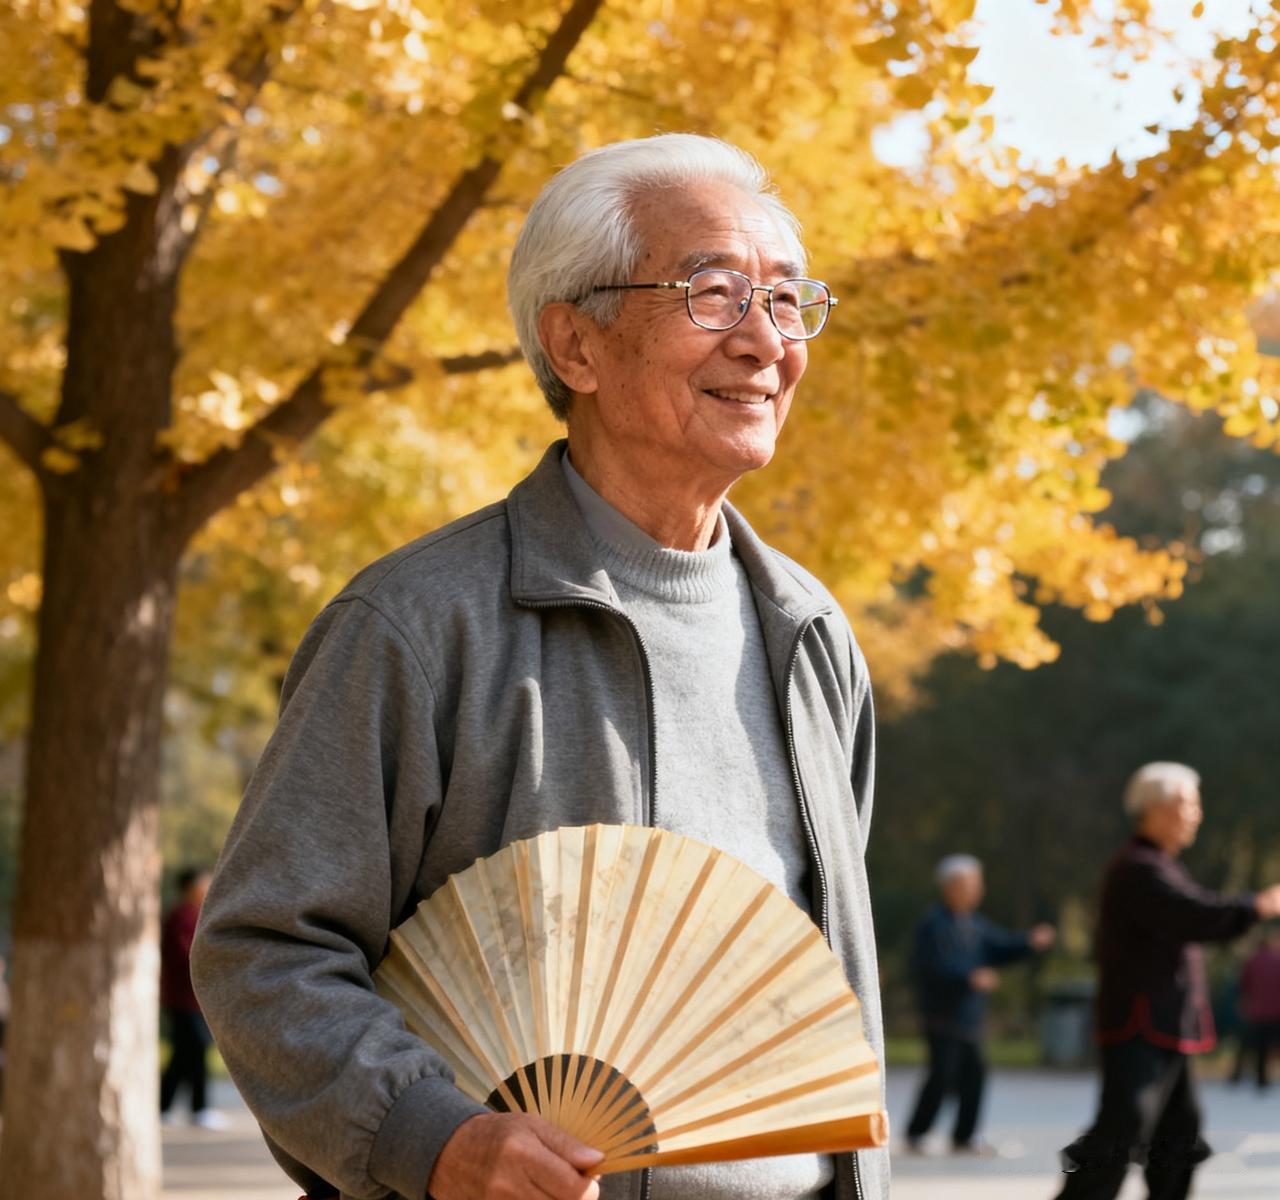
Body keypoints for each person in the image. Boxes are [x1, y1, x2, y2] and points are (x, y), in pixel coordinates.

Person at [192, 133, 886, 1200]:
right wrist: (432, 1139)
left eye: (787, 301)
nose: (765, 341)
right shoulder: (415, 625)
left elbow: (823, 984)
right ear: (575, 346)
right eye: (712, 294)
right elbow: (263, 951)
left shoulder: (810, 638)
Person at [1054, 762, 1280, 1200]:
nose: (1196, 815)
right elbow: (1193, 914)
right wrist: (1256, 906)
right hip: (1139, 1023)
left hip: (1164, 1024)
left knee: (1179, 1132)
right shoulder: (1138, 868)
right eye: (1188, 804)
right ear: (1155, 809)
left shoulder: (1159, 864)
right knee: (1124, 1126)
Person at [904, 854, 1055, 1154]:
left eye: (977, 884)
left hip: (969, 1017)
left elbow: (1000, 947)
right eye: (970, 884)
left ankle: (964, 1136)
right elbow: (929, 967)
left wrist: (1029, 942)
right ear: (950, 887)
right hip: (941, 1016)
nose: (976, 890)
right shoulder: (933, 925)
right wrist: (968, 978)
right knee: (943, 1074)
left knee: (974, 1075)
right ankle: (916, 1133)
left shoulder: (973, 924)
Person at [160, 867, 226, 1128]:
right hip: (182, 999)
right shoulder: (181, 917)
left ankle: (164, 1106)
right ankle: (199, 1108)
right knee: (195, 1049)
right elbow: (187, 956)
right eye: (203, 883)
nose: (208, 887)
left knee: (184, 1054)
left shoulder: (199, 915)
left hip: (196, 1000)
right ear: (190, 888)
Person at [1234, 926, 1280, 1089]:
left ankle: (1257, 1079)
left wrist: (1244, 1004)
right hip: (1276, 1011)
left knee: (1256, 1046)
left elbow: (1243, 985)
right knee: (1270, 1045)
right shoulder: (1277, 960)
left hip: (1258, 1011)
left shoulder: (1251, 961)